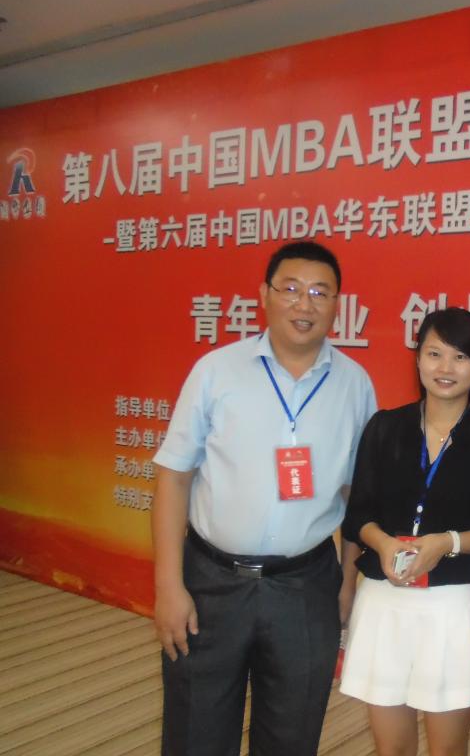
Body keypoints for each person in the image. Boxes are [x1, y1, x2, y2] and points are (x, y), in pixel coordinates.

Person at [152, 240, 376, 756]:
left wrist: (347, 582)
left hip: (306, 586)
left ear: (337, 304)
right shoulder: (216, 371)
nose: (304, 304)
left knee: (292, 733)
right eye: (291, 289)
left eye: (319, 292)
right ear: (264, 294)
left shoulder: (355, 385)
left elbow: (357, 495)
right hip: (210, 583)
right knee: (195, 731)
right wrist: (168, 585)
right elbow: (173, 477)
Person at [340, 307, 470, 756]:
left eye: (460, 357)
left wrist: (446, 543)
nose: (445, 368)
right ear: (417, 358)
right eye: (434, 354)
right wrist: (382, 542)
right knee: (392, 749)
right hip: (383, 601)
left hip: (452, 606)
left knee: (448, 751)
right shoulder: (385, 427)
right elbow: (358, 515)